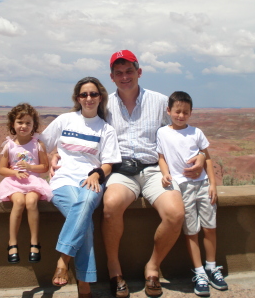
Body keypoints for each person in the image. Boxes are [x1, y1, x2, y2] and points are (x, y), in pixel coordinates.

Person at [103, 50, 206, 298]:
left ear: (139, 72)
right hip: (121, 171)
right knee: (110, 206)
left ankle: (153, 266)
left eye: (129, 71)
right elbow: (85, 131)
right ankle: (114, 270)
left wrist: (202, 156)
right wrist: (55, 154)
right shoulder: (104, 104)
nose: (125, 76)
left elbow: (183, 130)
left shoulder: (160, 101)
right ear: (112, 77)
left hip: (154, 170)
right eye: (119, 73)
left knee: (175, 213)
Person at [40, 77, 121, 298]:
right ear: (78, 98)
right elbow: (41, 144)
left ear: (100, 97)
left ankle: (63, 259)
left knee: (85, 202)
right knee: (84, 223)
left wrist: (97, 173)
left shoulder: (106, 130)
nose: (89, 98)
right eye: (84, 94)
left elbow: (109, 163)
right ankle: (84, 288)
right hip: (62, 181)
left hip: (90, 180)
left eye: (93, 94)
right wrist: (52, 154)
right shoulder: (65, 120)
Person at [157, 91, 228, 297]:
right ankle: (199, 272)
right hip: (182, 187)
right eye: (177, 111)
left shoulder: (196, 132)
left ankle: (211, 267)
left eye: (185, 112)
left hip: (203, 184)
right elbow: (161, 157)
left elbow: (207, 159)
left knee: (209, 228)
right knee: (191, 231)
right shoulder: (162, 133)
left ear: (191, 113)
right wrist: (165, 174)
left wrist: (212, 185)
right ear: (168, 111)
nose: (181, 115)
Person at [0, 103, 52, 264]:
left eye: (28, 123)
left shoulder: (37, 145)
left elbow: (45, 167)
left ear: (34, 125)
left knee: (31, 201)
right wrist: (15, 172)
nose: (24, 126)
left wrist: (30, 167)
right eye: (20, 122)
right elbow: (2, 169)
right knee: (19, 202)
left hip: (33, 182)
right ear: (13, 124)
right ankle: (12, 242)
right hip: (14, 183)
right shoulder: (9, 146)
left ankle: (35, 242)